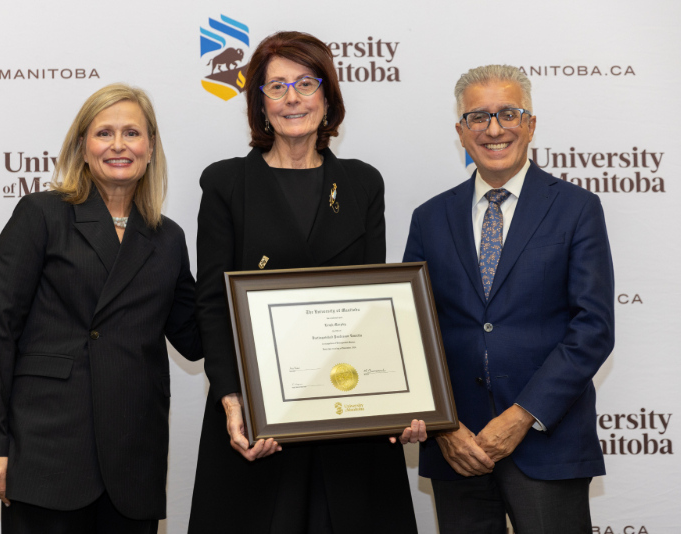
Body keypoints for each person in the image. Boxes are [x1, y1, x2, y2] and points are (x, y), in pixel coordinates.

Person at [188, 31, 424, 534]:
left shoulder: (363, 183)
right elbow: (212, 304)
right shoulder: (226, 183)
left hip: (347, 418)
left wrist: (399, 401)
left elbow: (371, 308)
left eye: (305, 83)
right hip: (256, 422)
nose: (292, 97)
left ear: (328, 96)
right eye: (276, 87)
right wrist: (234, 401)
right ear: (259, 103)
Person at [0, 83, 202, 533]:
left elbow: (195, 338)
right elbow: (1, 330)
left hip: (133, 458)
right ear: (82, 146)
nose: (119, 145)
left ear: (151, 147)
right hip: (48, 451)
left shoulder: (168, 238)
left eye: (132, 133)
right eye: (104, 133)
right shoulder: (41, 214)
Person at [403, 64, 615, 533]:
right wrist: (445, 425)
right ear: (460, 131)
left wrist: (521, 417)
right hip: (456, 449)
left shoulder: (577, 209)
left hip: (547, 441)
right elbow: (413, 331)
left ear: (531, 123)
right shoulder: (429, 217)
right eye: (478, 117)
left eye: (508, 113)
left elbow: (593, 328)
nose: (494, 129)